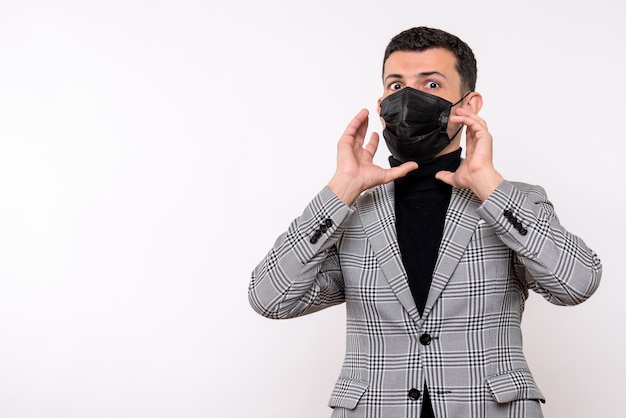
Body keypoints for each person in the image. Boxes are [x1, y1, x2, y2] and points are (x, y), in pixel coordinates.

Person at [248, 26, 602, 418]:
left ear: (469, 105)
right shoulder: (353, 212)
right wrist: (341, 189)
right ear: (382, 102)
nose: (409, 98)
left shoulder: (513, 201)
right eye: (396, 86)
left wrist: (488, 183)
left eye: (431, 84)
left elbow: (576, 283)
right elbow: (270, 299)